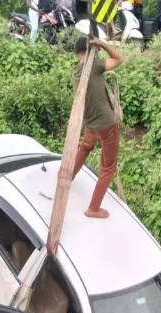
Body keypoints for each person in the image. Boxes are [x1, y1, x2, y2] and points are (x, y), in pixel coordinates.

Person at [72, 37, 123, 219]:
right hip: (106, 123)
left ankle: (68, 177)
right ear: (91, 49)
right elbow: (118, 59)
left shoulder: (78, 71)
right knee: (108, 167)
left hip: (91, 122)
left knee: (85, 147)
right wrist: (102, 43)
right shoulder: (94, 66)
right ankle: (93, 208)